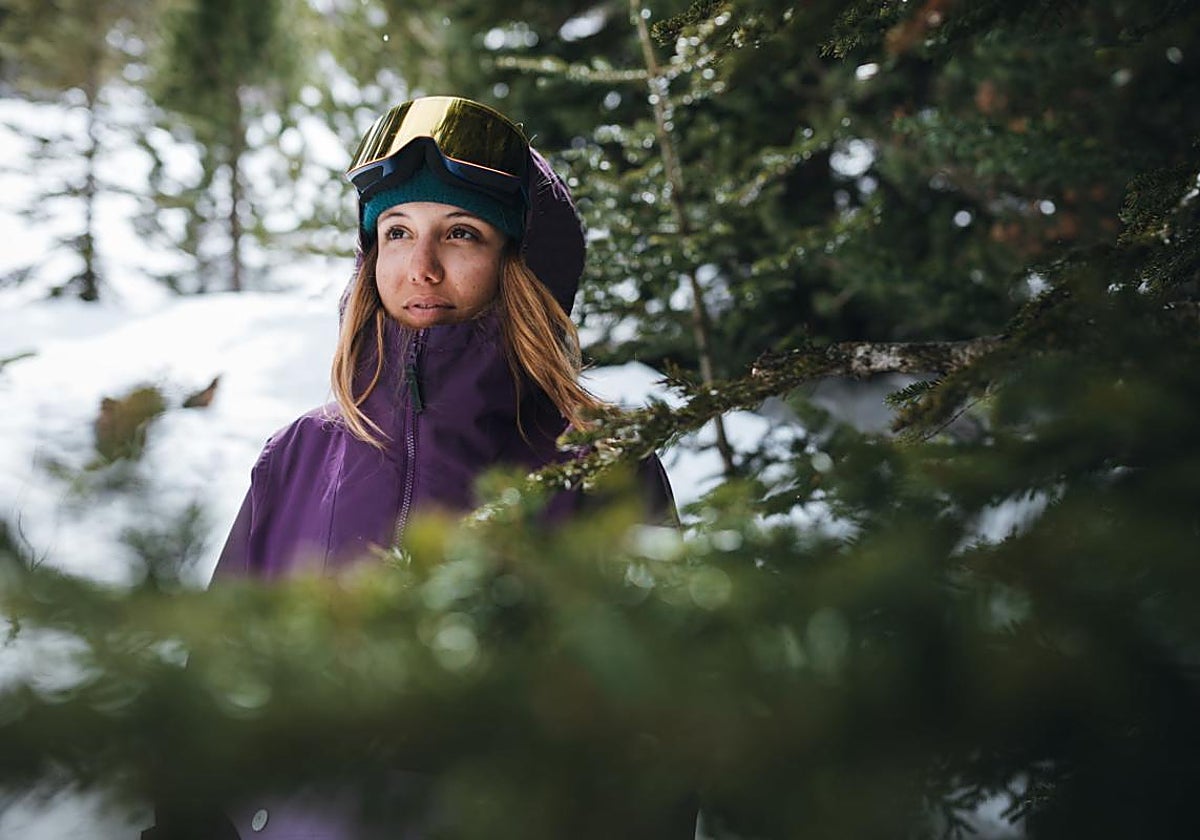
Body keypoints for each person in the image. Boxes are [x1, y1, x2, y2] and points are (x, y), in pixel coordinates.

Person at [144, 96, 685, 839]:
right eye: (397, 232)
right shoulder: (298, 455)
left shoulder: (603, 466)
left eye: (461, 233)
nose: (420, 267)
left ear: (518, 263)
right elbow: (213, 699)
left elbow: (659, 739)